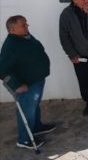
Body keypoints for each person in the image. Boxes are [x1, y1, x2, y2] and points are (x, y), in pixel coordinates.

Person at [1, 15, 55, 150]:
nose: (27, 27)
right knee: (27, 111)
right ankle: (24, 139)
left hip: (36, 80)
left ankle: (36, 127)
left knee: (34, 106)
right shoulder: (10, 46)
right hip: (26, 85)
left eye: (26, 24)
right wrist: (17, 85)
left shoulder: (25, 36)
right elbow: (2, 69)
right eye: (23, 25)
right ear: (13, 29)